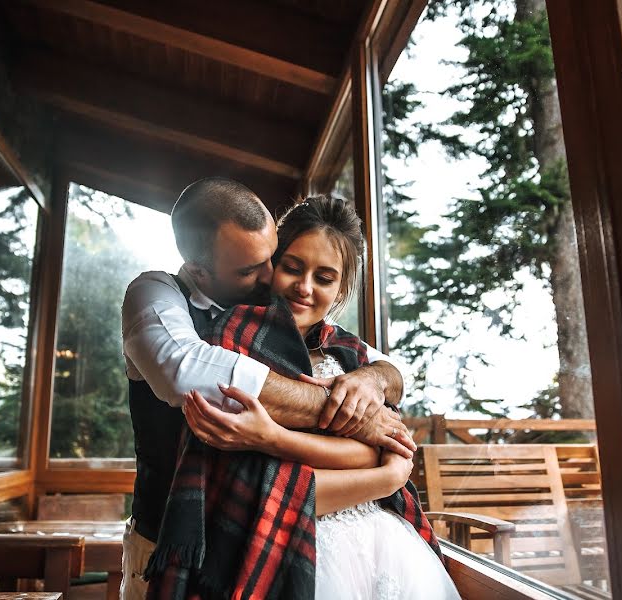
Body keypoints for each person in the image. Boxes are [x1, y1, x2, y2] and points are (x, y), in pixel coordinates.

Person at [120, 178, 415, 600]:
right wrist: (347, 417)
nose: (269, 276)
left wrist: (377, 378)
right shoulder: (157, 293)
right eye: (251, 268)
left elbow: (392, 375)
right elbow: (185, 370)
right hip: (171, 545)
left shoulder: (318, 337)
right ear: (200, 270)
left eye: (272, 257)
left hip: (300, 545)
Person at [172, 195, 460, 599]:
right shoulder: (235, 337)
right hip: (285, 546)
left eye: (324, 278)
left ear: (341, 288)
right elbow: (250, 482)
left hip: (385, 545)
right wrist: (382, 476)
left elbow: (392, 450)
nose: (304, 288)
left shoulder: (350, 355)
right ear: (272, 264)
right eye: (293, 268)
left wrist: (272, 438)